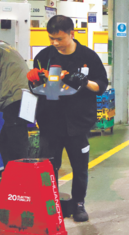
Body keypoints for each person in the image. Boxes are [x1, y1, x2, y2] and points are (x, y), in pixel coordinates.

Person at [29, 15, 108, 223]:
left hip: (78, 124)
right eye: (51, 38)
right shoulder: (44, 56)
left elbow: (101, 86)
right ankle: (50, 204)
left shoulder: (88, 57)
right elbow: (37, 87)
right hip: (50, 123)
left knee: (80, 167)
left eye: (60, 39)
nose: (55, 43)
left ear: (71, 34)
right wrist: (34, 81)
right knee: (49, 167)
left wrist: (84, 81)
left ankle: (79, 203)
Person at [0, 41, 30, 168]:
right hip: (23, 96)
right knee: (5, 140)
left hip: (16, 98)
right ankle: (12, 174)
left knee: (16, 143)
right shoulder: (5, 46)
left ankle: (22, 175)